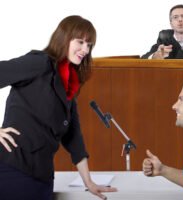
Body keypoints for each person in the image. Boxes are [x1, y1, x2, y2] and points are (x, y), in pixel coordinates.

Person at [0, 15, 117, 200]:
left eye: (89, 45)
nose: (85, 49)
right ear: (64, 37)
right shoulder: (38, 63)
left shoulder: (69, 82)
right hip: (14, 170)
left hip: (43, 177)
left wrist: (89, 182)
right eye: (80, 42)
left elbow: (73, 137)